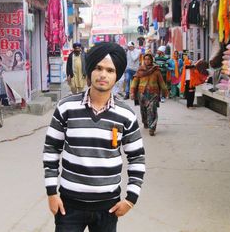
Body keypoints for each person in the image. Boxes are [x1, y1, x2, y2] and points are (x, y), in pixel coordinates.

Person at [43, 42, 146, 232]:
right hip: (69, 206)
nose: (103, 75)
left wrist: (131, 199)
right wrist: (51, 193)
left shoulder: (126, 115)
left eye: (110, 70)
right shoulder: (66, 108)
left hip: (108, 208)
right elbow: (51, 150)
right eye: (98, 68)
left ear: (117, 76)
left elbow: (137, 158)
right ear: (90, 70)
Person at [130, 53, 168, 136]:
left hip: (153, 94)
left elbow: (161, 82)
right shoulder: (140, 70)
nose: (147, 61)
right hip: (142, 93)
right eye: (146, 59)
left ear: (151, 60)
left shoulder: (156, 70)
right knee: (143, 110)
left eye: (149, 59)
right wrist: (132, 92)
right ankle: (146, 122)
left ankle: (152, 127)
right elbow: (135, 82)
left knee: (152, 110)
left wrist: (165, 92)